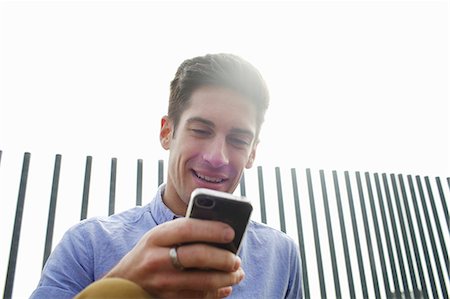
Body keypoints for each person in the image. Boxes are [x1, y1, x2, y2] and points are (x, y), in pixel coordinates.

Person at [30, 53, 302, 298]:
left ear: (253, 153)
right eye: (201, 131)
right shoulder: (87, 244)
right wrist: (121, 286)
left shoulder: (281, 255)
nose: (217, 157)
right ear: (166, 133)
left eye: (239, 140)